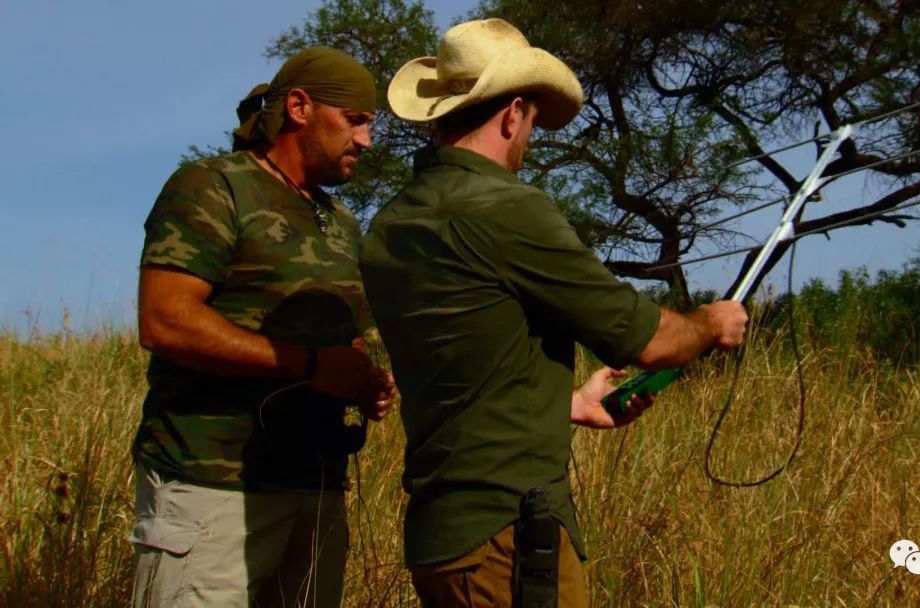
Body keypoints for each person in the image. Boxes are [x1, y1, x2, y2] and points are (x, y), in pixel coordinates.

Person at [360, 19, 749, 607]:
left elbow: (459, 364)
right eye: (533, 123)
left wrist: (567, 402)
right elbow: (649, 343)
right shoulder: (508, 209)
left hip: (441, 536)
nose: (529, 138)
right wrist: (711, 324)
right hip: (507, 537)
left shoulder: (390, 223)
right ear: (513, 113)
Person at [129, 47, 394, 608]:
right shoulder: (213, 186)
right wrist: (312, 367)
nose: (367, 141)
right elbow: (164, 318)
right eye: (355, 120)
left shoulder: (342, 221)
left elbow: (335, 340)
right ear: (299, 107)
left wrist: (359, 377)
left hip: (316, 488)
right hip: (212, 490)